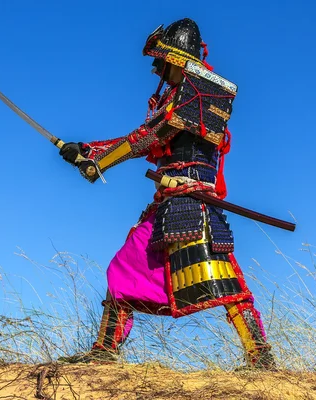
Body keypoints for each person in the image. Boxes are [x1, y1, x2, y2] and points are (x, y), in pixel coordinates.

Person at [58, 18, 276, 370]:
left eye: (160, 61)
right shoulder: (181, 96)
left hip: (191, 204)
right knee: (123, 267)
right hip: (167, 205)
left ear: (176, 59)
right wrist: (88, 150)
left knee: (226, 282)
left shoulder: (200, 94)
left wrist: (96, 159)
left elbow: (150, 136)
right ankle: (104, 351)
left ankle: (260, 356)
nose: (156, 68)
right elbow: (148, 134)